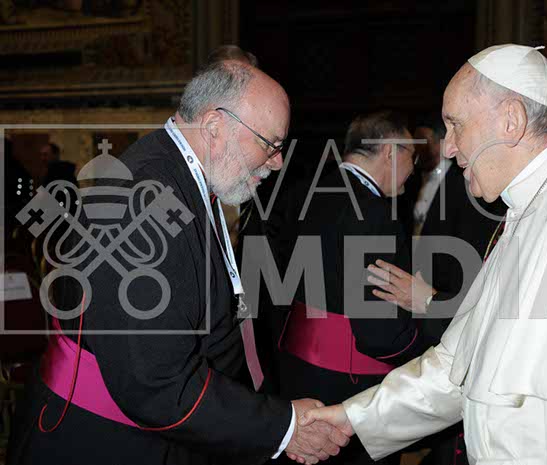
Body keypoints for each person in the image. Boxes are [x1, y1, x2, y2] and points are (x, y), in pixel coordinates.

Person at [299, 44, 547, 465]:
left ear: (511, 120)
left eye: (456, 125)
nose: (447, 148)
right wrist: (352, 417)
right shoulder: (535, 202)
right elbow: (458, 366)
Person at [8, 61, 349, 465]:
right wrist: (283, 427)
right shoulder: (144, 205)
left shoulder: (178, 172)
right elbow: (157, 384)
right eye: (269, 143)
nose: (276, 162)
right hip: (103, 441)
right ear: (214, 126)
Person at [275, 111, 446, 465]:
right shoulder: (373, 213)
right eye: (412, 158)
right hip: (348, 386)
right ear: (391, 152)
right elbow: (378, 333)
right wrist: (430, 349)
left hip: (294, 373)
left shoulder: (303, 192)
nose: (413, 169)